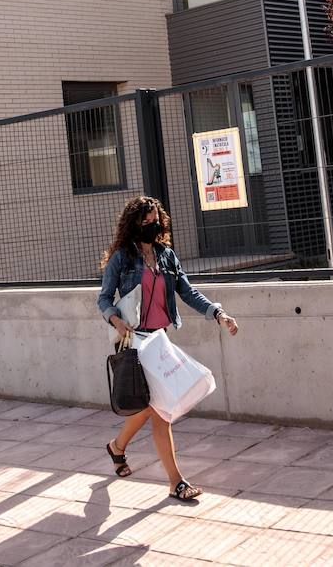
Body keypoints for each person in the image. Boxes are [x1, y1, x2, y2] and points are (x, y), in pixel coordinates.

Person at [97, 195, 239, 501]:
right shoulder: (123, 257)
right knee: (162, 410)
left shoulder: (166, 256)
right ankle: (176, 482)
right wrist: (116, 321)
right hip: (136, 340)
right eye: (145, 219)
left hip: (159, 340)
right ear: (134, 223)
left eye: (154, 218)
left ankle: (117, 447)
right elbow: (104, 298)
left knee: (152, 406)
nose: (151, 223)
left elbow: (187, 291)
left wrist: (218, 313)